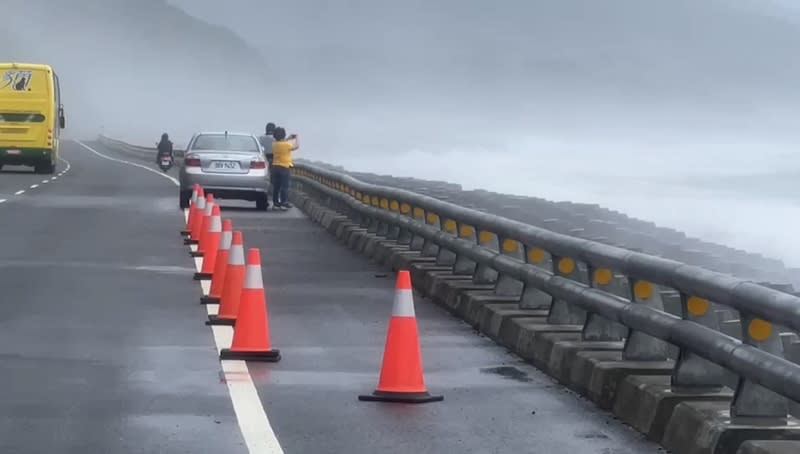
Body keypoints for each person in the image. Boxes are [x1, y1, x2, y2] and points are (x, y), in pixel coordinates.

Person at [270, 126, 299, 210]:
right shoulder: (286, 145)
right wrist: (297, 138)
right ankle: (283, 203)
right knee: (284, 187)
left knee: (276, 187)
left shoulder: (274, 144)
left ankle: (275, 204)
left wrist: (288, 138)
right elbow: (296, 146)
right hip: (284, 167)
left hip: (275, 167)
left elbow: (281, 142)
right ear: (284, 135)